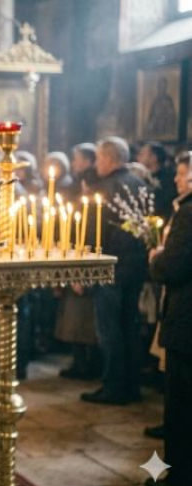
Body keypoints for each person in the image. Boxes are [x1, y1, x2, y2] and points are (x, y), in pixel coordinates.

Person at [81, 137, 147, 405]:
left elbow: (93, 233)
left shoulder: (102, 189)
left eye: (98, 158)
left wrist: (85, 269)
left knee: (109, 329)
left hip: (109, 267)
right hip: (136, 267)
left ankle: (114, 385)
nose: (96, 164)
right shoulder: (140, 184)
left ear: (109, 159)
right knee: (129, 326)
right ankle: (132, 385)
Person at [144, 150, 192, 486]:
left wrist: (156, 258)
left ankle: (180, 480)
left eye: (182, 173)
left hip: (186, 321)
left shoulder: (188, 213)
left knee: (181, 406)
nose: (176, 179)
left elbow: (173, 266)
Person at [137, 142, 177, 219]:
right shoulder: (141, 178)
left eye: (142, 154)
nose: (138, 157)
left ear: (154, 158)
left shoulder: (169, 179)